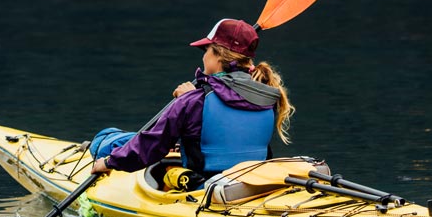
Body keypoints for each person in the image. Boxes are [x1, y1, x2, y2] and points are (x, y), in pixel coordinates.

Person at [88, 18, 294, 179]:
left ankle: (96, 146)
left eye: (206, 50)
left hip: (202, 186)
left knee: (104, 141)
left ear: (219, 56)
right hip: (249, 182)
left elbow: (150, 146)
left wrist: (107, 164)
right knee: (127, 138)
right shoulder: (267, 96)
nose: (203, 56)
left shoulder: (194, 101)